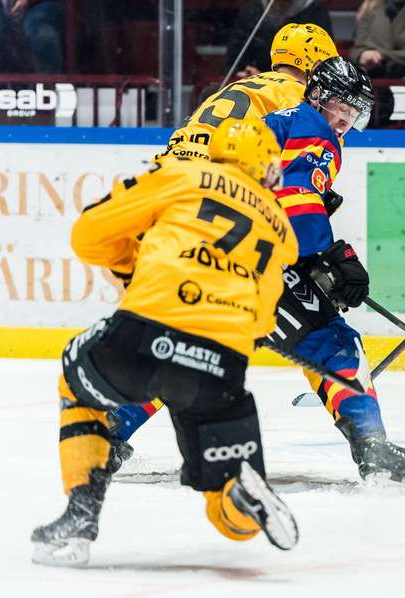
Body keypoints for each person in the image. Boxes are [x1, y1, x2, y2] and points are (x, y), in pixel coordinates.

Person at [31, 118, 300, 567]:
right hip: (220, 363)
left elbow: (89, 234)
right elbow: (263, 322)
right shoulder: (280, 228)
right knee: (228, 514)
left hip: (145, 335)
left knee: (76, 386)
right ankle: (239, 494)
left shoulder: (181, 173)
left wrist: (130, 267)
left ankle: (81, 512)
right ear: (264, 165)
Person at [107, 24, 338, 446]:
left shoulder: (235, 90)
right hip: (210, 217)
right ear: (316, 64)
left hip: (158, 209)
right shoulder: (298, 99)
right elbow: (290, 181)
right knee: (309, 321)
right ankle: (360, 422)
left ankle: (112, 427)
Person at [262, 56, 405, 482]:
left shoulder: (282, 122)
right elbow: (295, 196)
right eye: (342, 108)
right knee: (333, 343)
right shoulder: (313, 129)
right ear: (319, 96)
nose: (344, 121)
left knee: (193, 343)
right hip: (254, 256)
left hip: (210, 252)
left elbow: (276, 189)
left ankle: (112, 430)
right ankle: (372, 446)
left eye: (353, 114)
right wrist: (327, 253)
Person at [164, 23, 338, 161]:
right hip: (217, 168)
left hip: (171, 159)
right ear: (314, 64)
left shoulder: (239, 83)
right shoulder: (299, 95)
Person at [224, 0, 333, 77]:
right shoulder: (251, 10)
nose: (279, 5)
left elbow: (324, 66)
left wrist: (265, 78)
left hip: (299, 88)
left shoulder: (316, 14)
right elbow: (232, 63)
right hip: (254, 86)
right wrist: (242, 73)